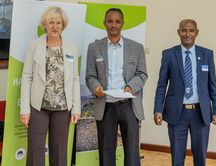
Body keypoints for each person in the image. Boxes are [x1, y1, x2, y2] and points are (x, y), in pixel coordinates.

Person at [154, 19, 216, 166]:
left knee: (200, 157)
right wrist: (158, 109)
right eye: (184, 30)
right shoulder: (169, 54)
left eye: (191, 30)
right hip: (177, 114)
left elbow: (212, 85)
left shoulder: (207, 55)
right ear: (178, 32)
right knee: (177, 157)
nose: (187, 34)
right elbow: (161, 85)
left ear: (197, 33)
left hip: (201, 113)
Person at [85, 8, 148, 166]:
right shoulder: (94, 48)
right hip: (105, 105)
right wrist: (96, 87)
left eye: (117, 21)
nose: (114, 24)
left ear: (123, 24)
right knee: (106, 151)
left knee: (132, 151)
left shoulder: (136, 47)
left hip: (129, 105)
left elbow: (142, 74)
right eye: (110, 21)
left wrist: (130, 87)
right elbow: (90, 76)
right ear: (104, 23)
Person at [20, 6, 81, 166]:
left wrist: (76, 109)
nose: (55, 26)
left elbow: (74, 78)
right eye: (51, 22)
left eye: (58, 23)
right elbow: (27, 77)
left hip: (62, 107)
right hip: (38, 107)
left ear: (63, 25)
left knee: (60, 152)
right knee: (35, 150)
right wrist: (24, 109)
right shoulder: (34, 45)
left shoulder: (71, 47)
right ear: (45, 25)